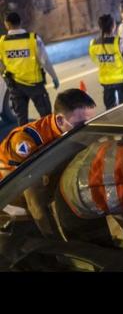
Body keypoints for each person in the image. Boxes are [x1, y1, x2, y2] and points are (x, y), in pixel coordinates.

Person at [0, 89, 96, 237]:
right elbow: (34, 200)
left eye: (90, 122)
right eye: (81, 124)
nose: (87, 129)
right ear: (59, 120)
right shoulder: (27, 141)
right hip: (9, 192)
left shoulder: (68, 129)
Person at [0, 12, 60, 125]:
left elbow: (1, 63)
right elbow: (45, 61)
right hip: (35, 85)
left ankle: (25, 141)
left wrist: (4, 73)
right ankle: (52, 141)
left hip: (15, 86)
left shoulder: (2, 42)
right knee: (46, 117)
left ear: (7, 24)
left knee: (21, 120)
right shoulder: (34, 39)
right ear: (20, 22)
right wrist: (54, 77)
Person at [89, 14, 123, 109]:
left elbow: (95, 60)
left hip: (106, 81)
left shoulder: (93, 43)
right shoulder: (119, 42)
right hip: (122, 80)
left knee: (111, 111)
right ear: (113, 26)